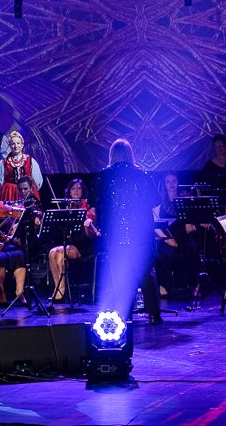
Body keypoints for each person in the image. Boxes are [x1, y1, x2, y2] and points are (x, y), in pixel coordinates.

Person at [94, 139, 162, 324]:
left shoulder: (104, 176)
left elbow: (93, 199)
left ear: (112, 155)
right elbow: (156, 200)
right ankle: (154, 315)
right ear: (130, 154)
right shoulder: (142, 175)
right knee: (146, 273)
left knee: (121, 275)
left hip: (115, 234)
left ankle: (125, 316)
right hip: (141, 233)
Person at [153, 171, 202, 298]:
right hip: (166, 237)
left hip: (182, 236)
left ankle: (194, 284)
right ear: (164, 184)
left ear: (178, 182)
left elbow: (189, 225)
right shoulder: (159, 204)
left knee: (192, 248)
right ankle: (164, 287)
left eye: (174, 181)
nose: (171, 184)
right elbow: (156, 225)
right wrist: (167, 239)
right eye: (168, 181)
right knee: (168, 253)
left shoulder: (185, 201)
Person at [48, 178, 97, 303]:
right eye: (73, 188)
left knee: (60, 253)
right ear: (69, 192)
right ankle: (58, 288)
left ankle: (61, 291)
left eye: (79, 188)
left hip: (84, 247)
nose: (76, 190)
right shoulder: (67, 209)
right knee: (52, 252)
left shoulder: (90, 210)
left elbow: (91, 237)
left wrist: (87, 227)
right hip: (70, 244)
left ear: (83, 192)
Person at [0, 130, 42, 202]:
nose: (16, 146)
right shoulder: (4, 162)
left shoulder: (30, 160)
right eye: (13, 144)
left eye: (18, 143)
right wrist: (7, 190)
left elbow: (37, 181)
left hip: (27, 192)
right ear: (9, 145)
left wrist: (31, 189)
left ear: (22, 144)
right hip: (10, 193)